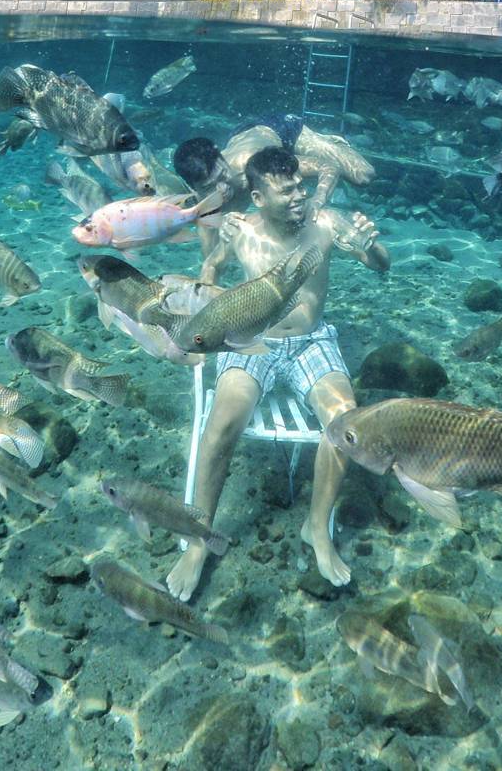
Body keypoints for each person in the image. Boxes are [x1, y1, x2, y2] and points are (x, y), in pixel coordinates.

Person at [166, 146, 389, 602]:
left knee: (346, 424)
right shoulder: (240, 230)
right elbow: (210, 270)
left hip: (311, 342)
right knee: (222, 423)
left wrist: (372, 247)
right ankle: (199, 539)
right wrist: (210, 294)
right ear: (257, 196)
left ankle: (317, 528)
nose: (299, 198)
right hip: (254, 342)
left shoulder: (326, 224)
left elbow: (381, 265)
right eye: (285, 191)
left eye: (301, 187)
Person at [173, 117, 375, 253]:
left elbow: (327, 166)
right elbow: (211, 257)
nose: (221, 189)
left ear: (223, 164)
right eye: (209, 187)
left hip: (279, 129)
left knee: (364, 176)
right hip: (244, 136)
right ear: (192, 188)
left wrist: (317, 201)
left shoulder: (252, 166)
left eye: (223, 177)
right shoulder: (203, 203)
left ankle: (326, 142)